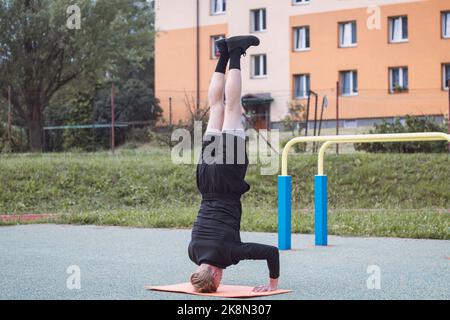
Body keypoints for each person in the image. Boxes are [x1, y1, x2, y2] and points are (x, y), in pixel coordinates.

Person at [188, 35, 280, 293]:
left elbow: (271, 252)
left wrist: (272, 285)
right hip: (205, 181)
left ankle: (237, 51)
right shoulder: (193, 252)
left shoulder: (228, 255)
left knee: (232, 108)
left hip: (227, 181)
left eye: (219, 281)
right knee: (216, 107)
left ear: (216, 276)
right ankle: (223, 54)